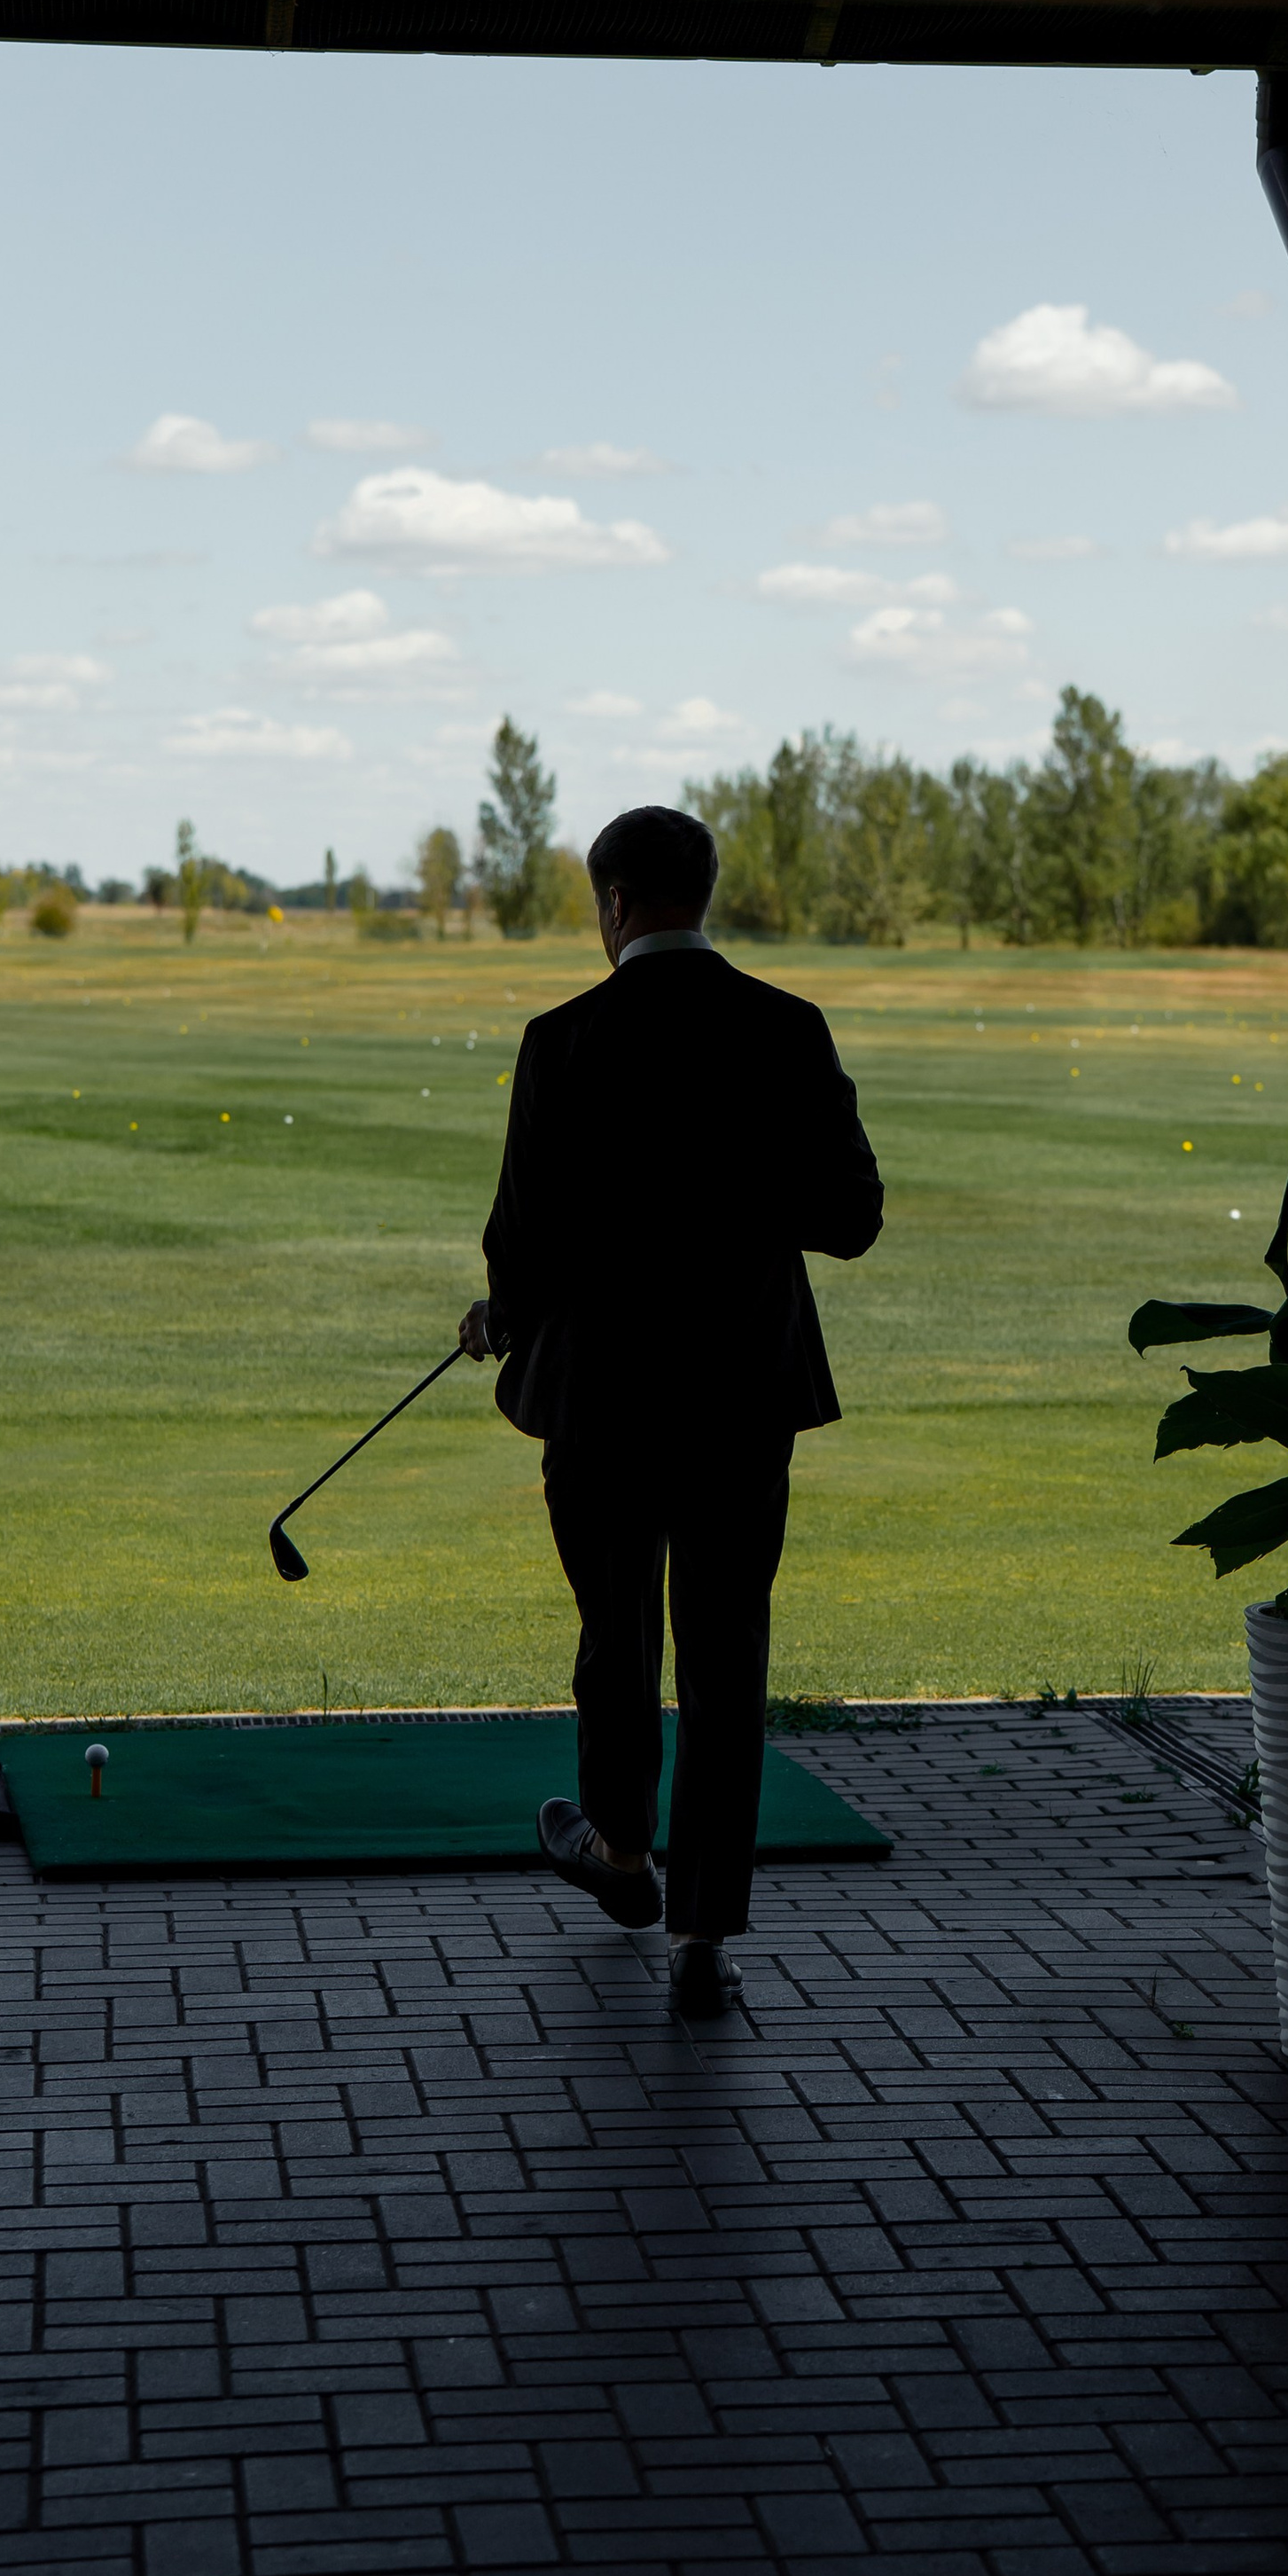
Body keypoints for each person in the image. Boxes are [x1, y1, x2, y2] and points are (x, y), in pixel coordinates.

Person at [458, 803, 884, 2019]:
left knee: (617, 1636)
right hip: (742, 1395)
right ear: (703, 892)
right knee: (726, 1654)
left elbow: (523, 1241)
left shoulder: (562, 1040)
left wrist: (498, 1313)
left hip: (601, 1398)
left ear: (614, 904)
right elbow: (850, 1217)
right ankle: (702, 1935)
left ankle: (620, 1851)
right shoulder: (787, 1029)